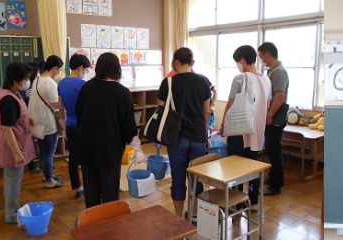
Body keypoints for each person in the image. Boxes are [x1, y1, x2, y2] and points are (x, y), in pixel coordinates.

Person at [76, 52, 144, 208]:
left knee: (91, 191)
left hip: (87, 148)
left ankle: (92, 219)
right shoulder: (122, 92)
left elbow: (79, 114)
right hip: (109, 150)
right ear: (117, 69)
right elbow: (129, 126)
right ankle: (109, 221)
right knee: (110, 192)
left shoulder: (86, 88)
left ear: (98, 68)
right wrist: (138, 149)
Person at [157, 47, 211, 218]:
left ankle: (178, 217)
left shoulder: (168, 82)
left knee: (178, 178)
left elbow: (161, 109)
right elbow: (207, 111)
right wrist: (204, 132)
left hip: (176, 137)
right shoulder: (203, 81)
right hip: (198, 136)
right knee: (197, 177)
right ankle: (194, 215)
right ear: (192, 62)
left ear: (175, 62)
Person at [220, 45, 271, 213]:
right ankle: (253, 202)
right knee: (251, 168)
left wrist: (223, 125)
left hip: (239, 131)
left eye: (237, 61)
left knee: (234, 169)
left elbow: (230, 103)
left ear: (242, 60)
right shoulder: (266, 80)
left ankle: (235, 204)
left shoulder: (240, 78)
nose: (238, 65)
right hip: (256, 133)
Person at [0, 62, 37, 224]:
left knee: (11, 178)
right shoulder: (8, 99)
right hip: (13, 145)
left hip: (17, 140)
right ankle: (12, 215)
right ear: (15, 80)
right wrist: (17, 153)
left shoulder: (10, 91)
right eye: (25, 79)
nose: (27, 82)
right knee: (13, 180)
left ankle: (11, 210)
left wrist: (27, 119)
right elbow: (7, 128)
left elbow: (15, 117)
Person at [257, 42, 289, 196]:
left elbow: (280, 95)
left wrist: (269, 115)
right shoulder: (273, 71)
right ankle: (272, 178)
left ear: (268, 54)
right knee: (270, 148)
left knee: (273, 150)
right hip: (272, 115)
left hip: (275, 117)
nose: (262, 60)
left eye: (261, 57)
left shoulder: (279, 72)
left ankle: (276, 185)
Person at [58, 53, 91, 199]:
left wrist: (63, 122)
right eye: (86, 70)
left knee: (73, 157)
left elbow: (60, 106)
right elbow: (89, 108)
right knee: (87, 157)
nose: (85, 73)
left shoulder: (61, 83)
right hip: (83, 126)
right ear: (80, 68)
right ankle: (90, 185)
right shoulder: (83, 85)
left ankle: (78, 187)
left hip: (70, 125)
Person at [29, 55, 64, 189]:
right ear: (54, 68)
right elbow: (55, 104)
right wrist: (63, 101)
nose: (59, 72)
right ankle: (50, 180)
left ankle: (47, 175)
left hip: (37, 122)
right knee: (49, 154)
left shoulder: (37, 79)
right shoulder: (50, 83)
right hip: (47, 122)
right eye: (59, 69)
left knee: (43, 152)